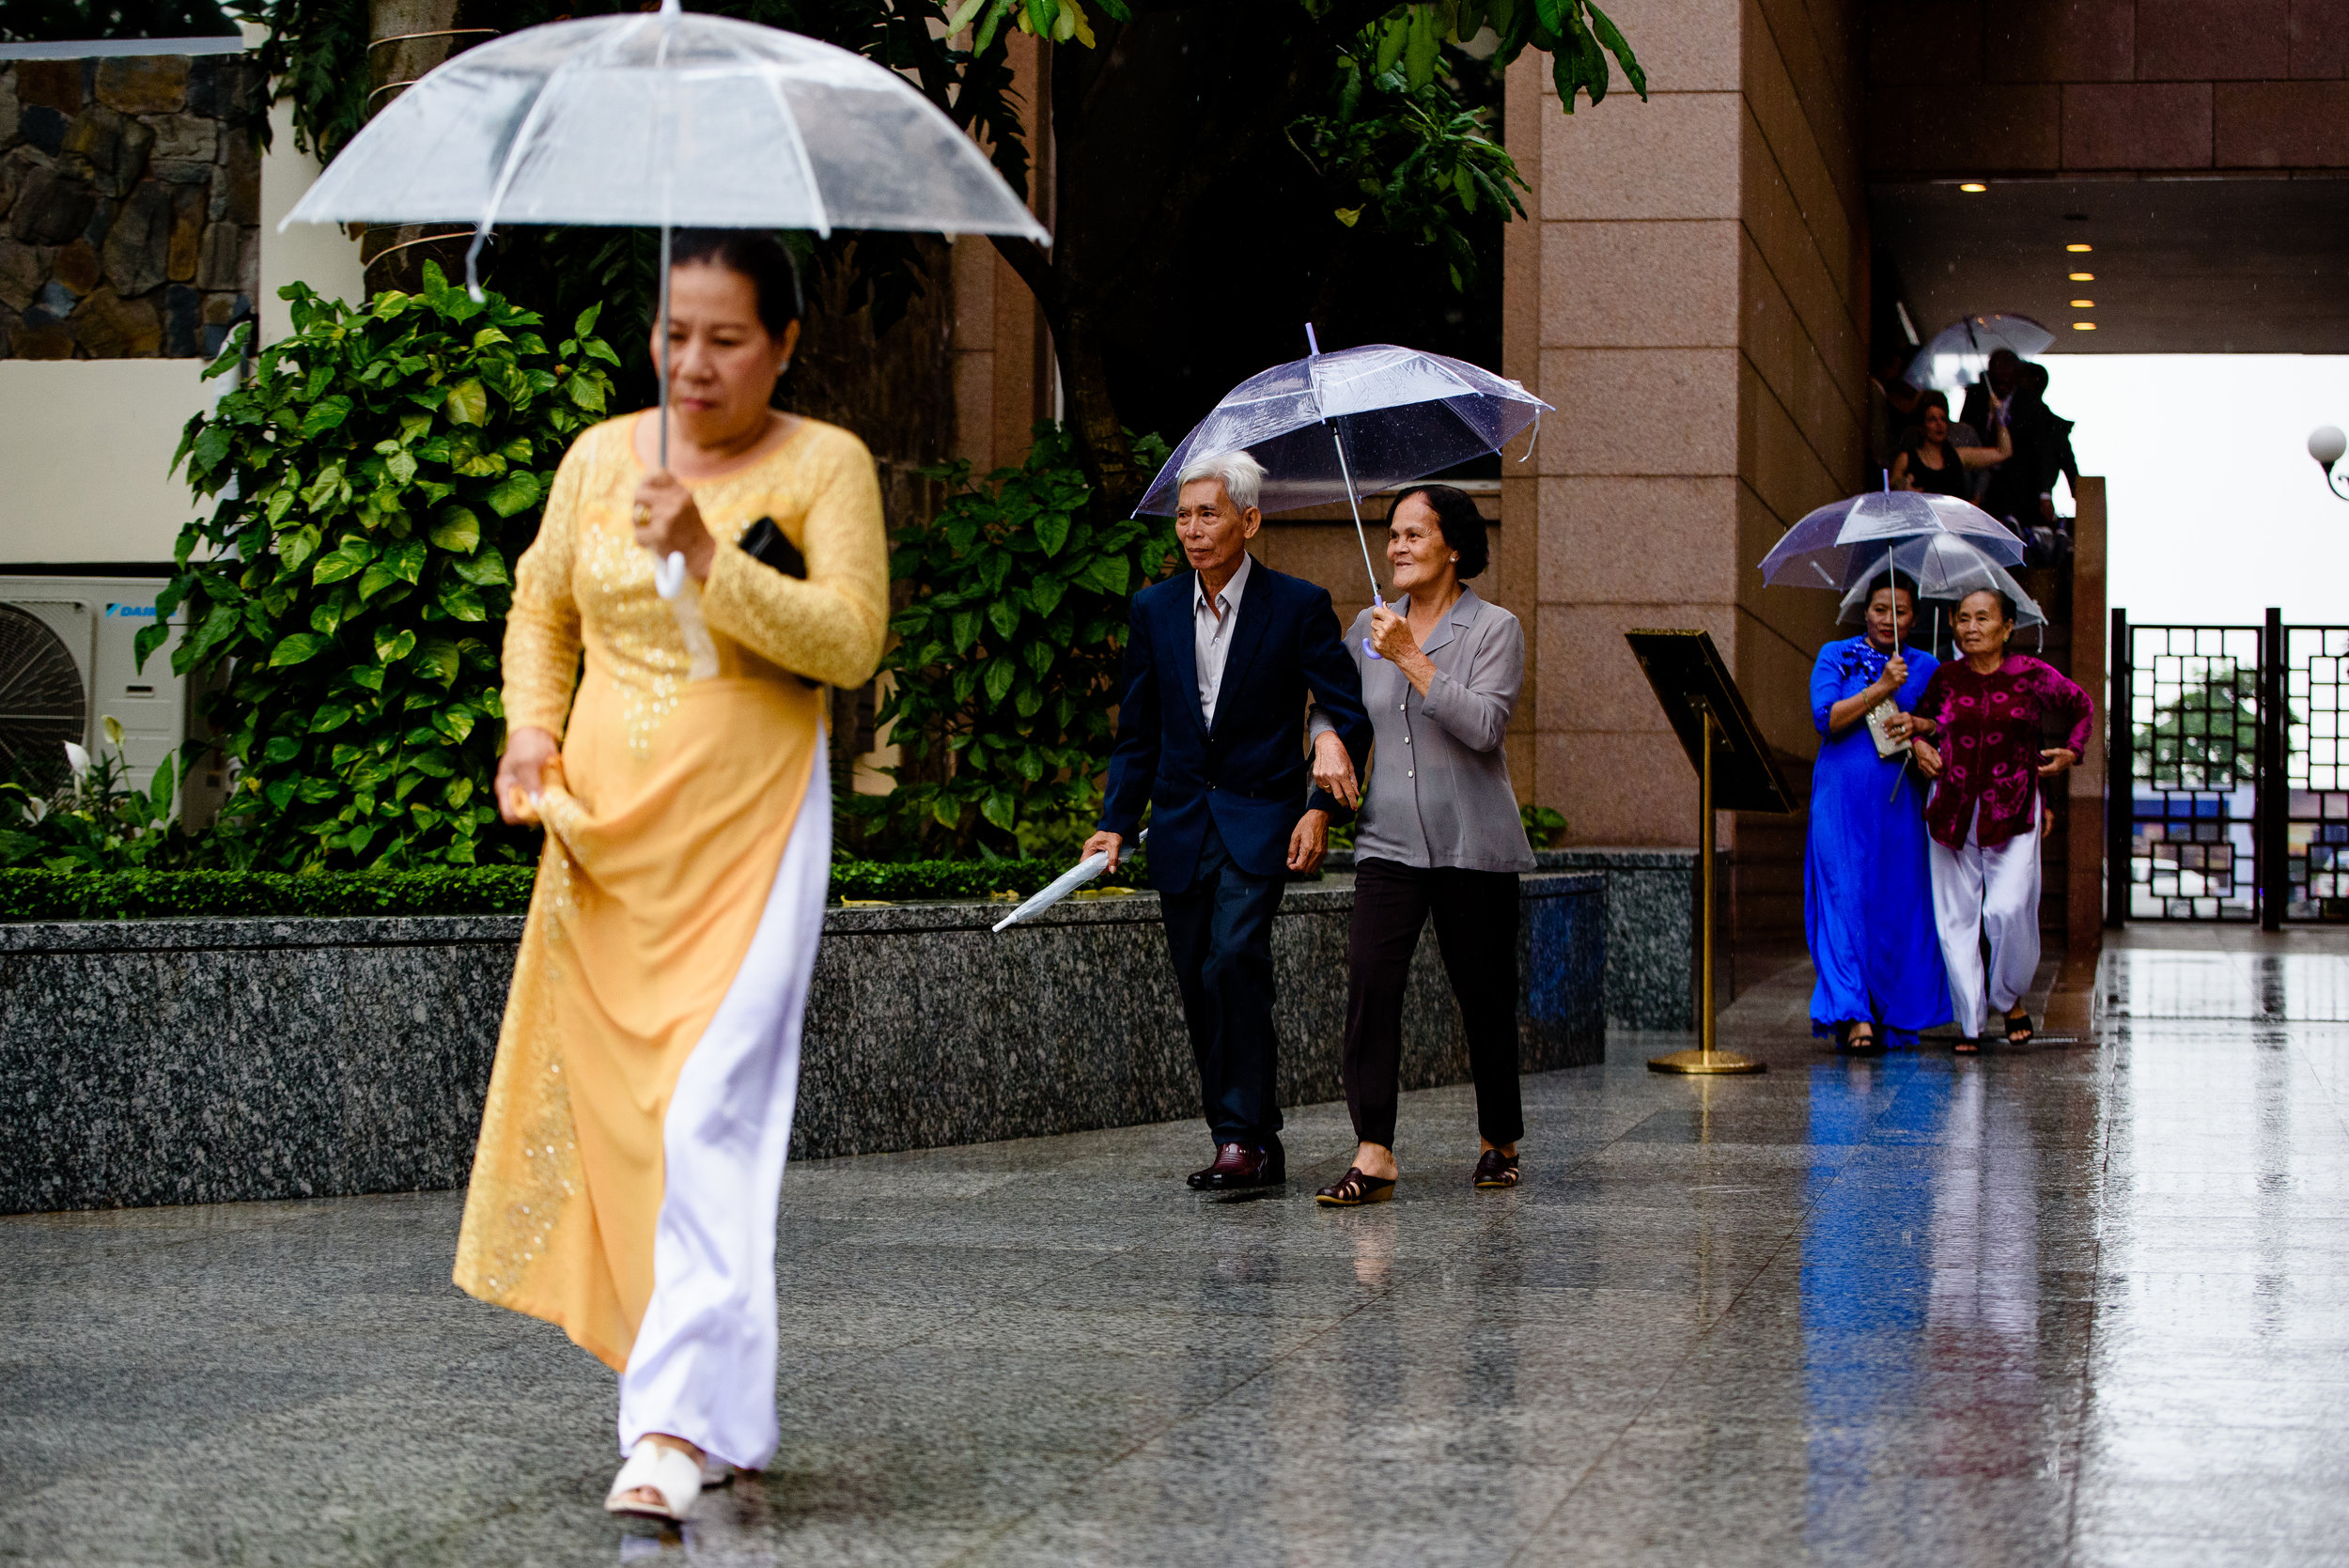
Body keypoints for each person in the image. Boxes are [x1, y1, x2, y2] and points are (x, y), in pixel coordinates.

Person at [459, 229, 890, 1522]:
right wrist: (531, 727)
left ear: (786, 344)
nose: (694, 362)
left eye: (727, 337)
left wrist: (713, 554)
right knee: (632, 1121)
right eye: (674, 332)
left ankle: (661, 1429)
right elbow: (542, 605)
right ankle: (723, 1412)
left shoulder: (824, 465)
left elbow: (851, 641)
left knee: (711, 1110)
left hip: (749, 826)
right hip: (605, 834)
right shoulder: (601, 456)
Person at [1084, 451, 1371, 1191]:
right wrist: (1116, 819)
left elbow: (1344, 706)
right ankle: (1243, 1138)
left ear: (1249, 520)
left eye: (1207, 514)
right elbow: (1138, 731)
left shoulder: (1299, 604)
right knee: (1196, 978)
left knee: (1233, 961)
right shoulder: (1154, 610)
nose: (1191, 529)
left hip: (1262, 819)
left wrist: (1318, 801)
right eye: (1183, 515)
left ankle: (1243, 1138)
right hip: (1180, 824)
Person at [1304, 485, 1536, 1205]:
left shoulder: (1495, 627)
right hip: (1387, 841)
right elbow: (1331, 703)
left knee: (1484, 997)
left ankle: (1498, 1138)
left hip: (1475, 844)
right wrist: (1328, 741)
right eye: (1392, 534)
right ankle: (1373, 1152)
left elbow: (1484, 726)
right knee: (1372, 989)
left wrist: (1411, 658)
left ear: (1455, 545)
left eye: (1414, 534)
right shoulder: (1368, 627)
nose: (1397, 547)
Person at [1908, 589, 2092, 1051]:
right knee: (1956, 920)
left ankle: (2008, 996)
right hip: (1950, 808)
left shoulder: (2032, 674)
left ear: (2008, 627)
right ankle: (1970, 1023)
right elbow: (1923, 723)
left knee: (2007, 908)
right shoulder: (1946, 677)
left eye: (1983, 619)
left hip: (2012, 806)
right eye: (1963, 619)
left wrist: (2071, 752)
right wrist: (1919, 745)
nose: (1971, 628)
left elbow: (2082, 706)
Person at [1804, 572, 1951, 1052]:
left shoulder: (1926, 666)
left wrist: (1923, 727)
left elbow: (1945, 721)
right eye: (1881, 608)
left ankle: (1894, 1011)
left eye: (1901, 611)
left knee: (1893, 904)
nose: (1889, 618)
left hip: (1898, 803)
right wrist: (1881, 686)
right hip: (1840, 800)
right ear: (1865, 611)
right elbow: (1826, 718)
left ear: (1915, 617)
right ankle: (1853, 1014)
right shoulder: (1834, 654)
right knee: (1843, 898)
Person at [1891, 392, 2010, 498]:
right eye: (1932, 419)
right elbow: (1892, 485)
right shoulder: (1906, 458)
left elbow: (2004, 452)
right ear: (1922, 426)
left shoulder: (1959, 456)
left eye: (1943, 419)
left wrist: (1998, 417)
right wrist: (1903, 487)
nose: (1939, 424)